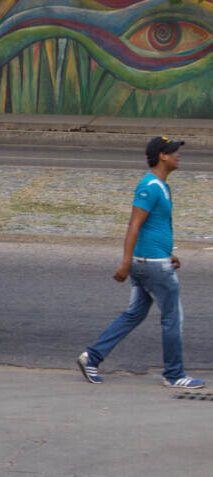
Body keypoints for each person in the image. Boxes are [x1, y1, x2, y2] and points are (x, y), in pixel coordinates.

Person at [77, 137, 205, 389]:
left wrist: (167, 251)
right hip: (152, 265)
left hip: (154, 259)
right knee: (172, 318)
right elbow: (134, 225)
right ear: (161, 156)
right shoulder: (149, 187)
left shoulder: (162, 186)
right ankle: (174, 374)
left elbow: (154, 226)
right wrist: (125, 262)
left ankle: (92, 357)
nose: (177, 155)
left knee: (134, 313)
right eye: (172, 152)